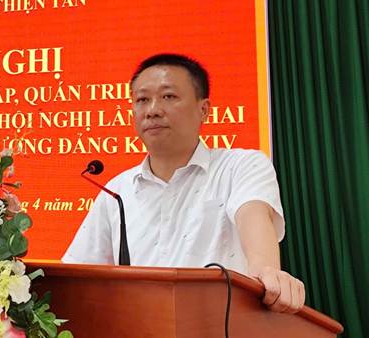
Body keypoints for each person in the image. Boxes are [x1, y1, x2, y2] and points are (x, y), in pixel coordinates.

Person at [62, 53, 306, 313]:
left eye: (168, 96)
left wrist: (267, 272)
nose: (153, 110)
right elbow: (76, 276)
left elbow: (253, 217)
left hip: (222, 324)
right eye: (142, 99)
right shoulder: (117, 190)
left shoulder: (240, 166)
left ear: (204, 110)